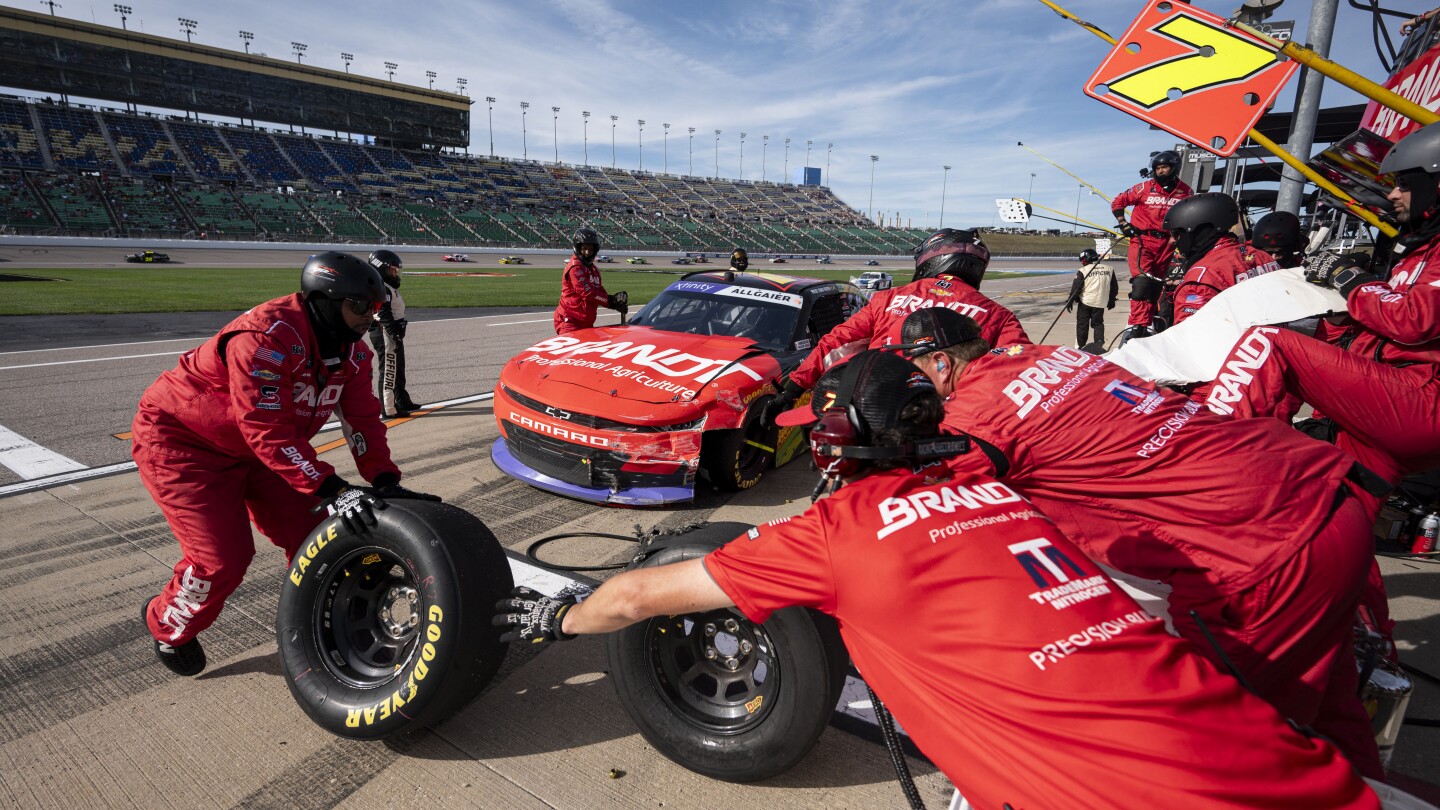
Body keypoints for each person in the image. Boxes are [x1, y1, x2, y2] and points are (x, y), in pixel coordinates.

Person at [496, 351, 1382, 809]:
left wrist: (555, 623)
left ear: (840, 444)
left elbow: (635, 597)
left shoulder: (837, 534)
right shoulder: (1008, 497)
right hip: (1292, 771)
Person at [893, 306, 1389, 778]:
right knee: (1330, 718)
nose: (913, 390)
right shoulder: (1056, 355)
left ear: (941, 362)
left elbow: (915, 493)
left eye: (915, 375)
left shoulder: (977, 411)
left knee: (1219, 751)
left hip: (1259, 554)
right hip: (1323, 495)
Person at [134, 251, 440, 677]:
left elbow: (363, 419)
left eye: (375, 309)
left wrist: (384, 479)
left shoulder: (353, 354)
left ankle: (320, 620)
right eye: (359, 308)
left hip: (263, 449)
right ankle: (167, 623)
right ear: (325, 301)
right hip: (185, 446)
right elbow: (265, 428)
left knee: (314, 533)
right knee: (223, 559)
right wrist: (334, 489)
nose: (369, 319)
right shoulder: (264, 338)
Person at [1205, 121, 1440, 489]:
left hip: (1419, 401)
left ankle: (1205, 454)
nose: (1393, 195)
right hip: (1395, 402)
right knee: (1333, 515)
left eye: (1405, 184)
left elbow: (1413, 320)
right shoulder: (1420, 252)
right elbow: (1391, 322)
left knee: (1269, 343)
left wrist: (1347, 277)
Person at [761, 228, 1030, 422]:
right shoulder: (998, 315)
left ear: (929, 258)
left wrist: (793, 389)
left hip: (873, 407)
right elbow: (1022, 369)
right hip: (947, 418)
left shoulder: (889, 298)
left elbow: (836, 340)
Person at [1162, 192, 1280, 327]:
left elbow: (1189, 338)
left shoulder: (1201, 279)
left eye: (1176, 234)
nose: (1171, 241)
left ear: (1198, 232)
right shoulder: (1263, 257)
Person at [1112, 150, 1194, 334]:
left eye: (1164, 167)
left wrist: (1179, 236)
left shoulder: (1186, 192)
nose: (1160, 171)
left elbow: (1188, 215)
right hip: (1142, 241)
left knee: (1156, 287)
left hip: (1166, 244)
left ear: (1174, 168)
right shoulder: (1143, 188)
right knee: (1141, 284)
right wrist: (1123, 223)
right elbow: (1118, 202)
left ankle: (1146, 323)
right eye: (1157, 168)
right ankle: (1135, 324)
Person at [366, 249, 421, 417]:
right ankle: (388, 409)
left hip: (392, 333)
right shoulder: (380, 287)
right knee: (389, 370)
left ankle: (402, 401)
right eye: (392, 270)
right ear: (381, 268)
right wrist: (394, 333)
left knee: (398, 369)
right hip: (385, 333)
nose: (395, 273)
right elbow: (383, 313)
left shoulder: (387, 286)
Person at [553, 227, 626, 334]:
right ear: (577, 248)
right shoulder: (575, 268)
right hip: (570, 322)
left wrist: (614, 303)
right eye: (584, 248)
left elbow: (599, 290)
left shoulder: (593, 269)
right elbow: (588, 293)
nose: (587, 252)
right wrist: (610, 300)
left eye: (590, 249)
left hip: (585, 321)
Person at [1066, 247, 1117, 348]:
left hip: (1086, 302)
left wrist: (1070, 301)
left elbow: (1076, 288)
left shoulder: (1083, 270)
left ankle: (1081, 346)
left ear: (1086, 259)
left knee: (1082, 324)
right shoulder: (1109, 269)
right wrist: (1111, 300)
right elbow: (1114, 287)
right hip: (1100, 302)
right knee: (1098, 323)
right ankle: (1099, 342)